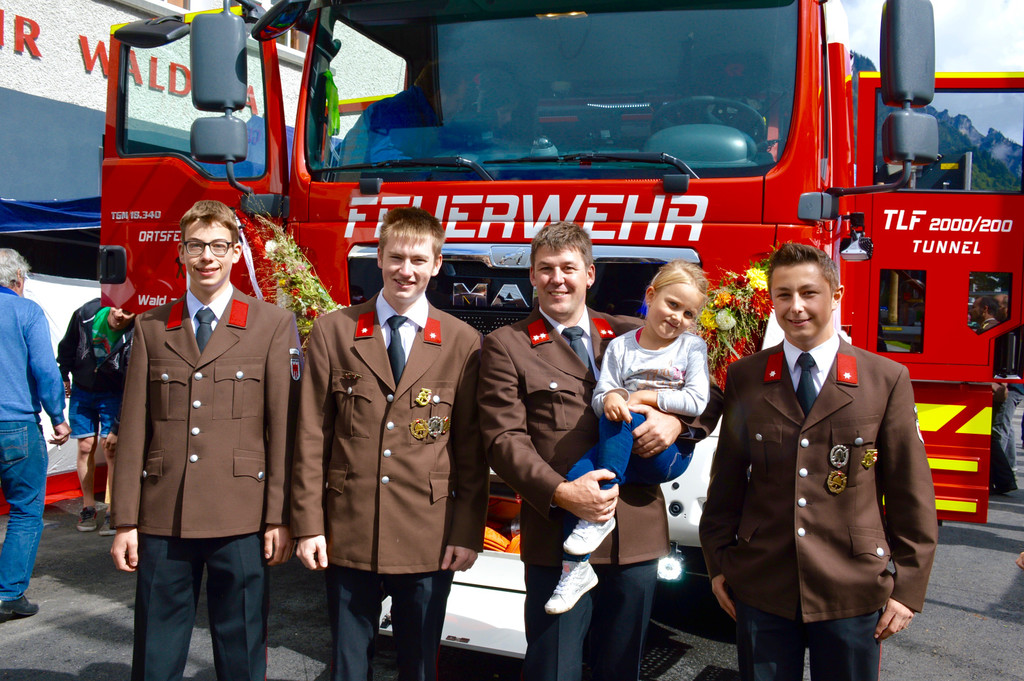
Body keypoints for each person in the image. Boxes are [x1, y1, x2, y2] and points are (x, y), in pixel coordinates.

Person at [699, 242, 939, 681]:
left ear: (836, 295)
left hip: (852, 586)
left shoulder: (884, 379)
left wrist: (907, 587)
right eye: (783, 295)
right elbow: (726, 482)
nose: (796, 307)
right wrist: (718, 563)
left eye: (808, 293)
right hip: (763, 583)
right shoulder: (746, 376)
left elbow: (911, 492)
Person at [478, 221, 691, 681]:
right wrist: (562, 492)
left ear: (590, 274)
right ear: (532, 277)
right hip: (558, 533)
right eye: (546, 269)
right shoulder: (506, 346)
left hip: (633, 532)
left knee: (621, 669)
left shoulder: (634, 333)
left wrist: (676, 421)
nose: (557, 279)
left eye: (568, 268)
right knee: (552, 669)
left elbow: (710, 391)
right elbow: (502, 440)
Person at [290, 206, 487, 681]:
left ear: (437, 264)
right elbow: (311, 435)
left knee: (418, 664)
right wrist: (308, 525)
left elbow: (470, 449)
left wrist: (466, 532)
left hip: (428, 534)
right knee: (347, 665)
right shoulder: (335, 330)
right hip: (349, 528)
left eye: (419, 260)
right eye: (396, 257)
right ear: (378, 257)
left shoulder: (462, 341)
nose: (406, 270)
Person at [110, 200, 301, 681]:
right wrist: (125, 520)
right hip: (163, 516)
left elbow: (283, 429)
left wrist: (279, 517)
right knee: (155, 654)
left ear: (236, 252)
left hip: (241, 515)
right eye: (195, 246)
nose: (206, 257)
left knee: (242, 652)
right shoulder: (152, 327)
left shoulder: (271, 325)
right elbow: (134, 428)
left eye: (218, 245)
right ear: (180, 252)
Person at [546, 260, 710, 614]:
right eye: (672, 304)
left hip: (666, 454)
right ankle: (575, 571)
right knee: (578, 480)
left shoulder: (692, 348)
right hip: (623, 448)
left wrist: (644, 398)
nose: (678, 317)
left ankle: (599, 516)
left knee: (624, 412)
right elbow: (601, 394)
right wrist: (613, 398)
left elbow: (698, 400)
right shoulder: (620, 346)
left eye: (689, 313)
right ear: (650, 296)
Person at [0, 248, 71, 619]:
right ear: (18, 279)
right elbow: (45, 369)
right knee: (25, 510)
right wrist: (58, 416)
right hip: (15, 424)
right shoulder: (25, 311)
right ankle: (8, 594)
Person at [57, 299, 135, 535]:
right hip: (82, 389)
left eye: (128, 312)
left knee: (111, 449)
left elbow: (131, 379)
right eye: (118, 308)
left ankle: (113, 509)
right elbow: (68, 345)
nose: (120, 315)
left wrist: (118, 426)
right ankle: (88, 507)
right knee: (85, 446)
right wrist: (64, 374)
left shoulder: (135, 332)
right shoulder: (86, 313)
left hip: (112, 392)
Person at [989, 381, 1021, 495]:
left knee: (997, 433)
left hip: (1005, 390)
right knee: (1001, 431)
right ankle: (1006, 477)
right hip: (1006, 389)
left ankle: (1002, 478)